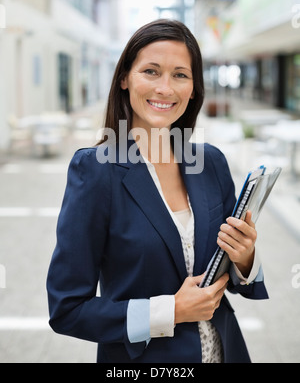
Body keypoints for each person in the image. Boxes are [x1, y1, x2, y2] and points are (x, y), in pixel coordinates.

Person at [46, 19, 268, 363]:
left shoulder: (210, 162)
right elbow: (67, 309)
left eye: (180, 75)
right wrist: (170, 311)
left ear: (194, 88)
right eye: (151, 71)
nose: (166, 88)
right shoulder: (96, 170)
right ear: (124, 79)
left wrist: (244, 258)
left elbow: (239, 281)